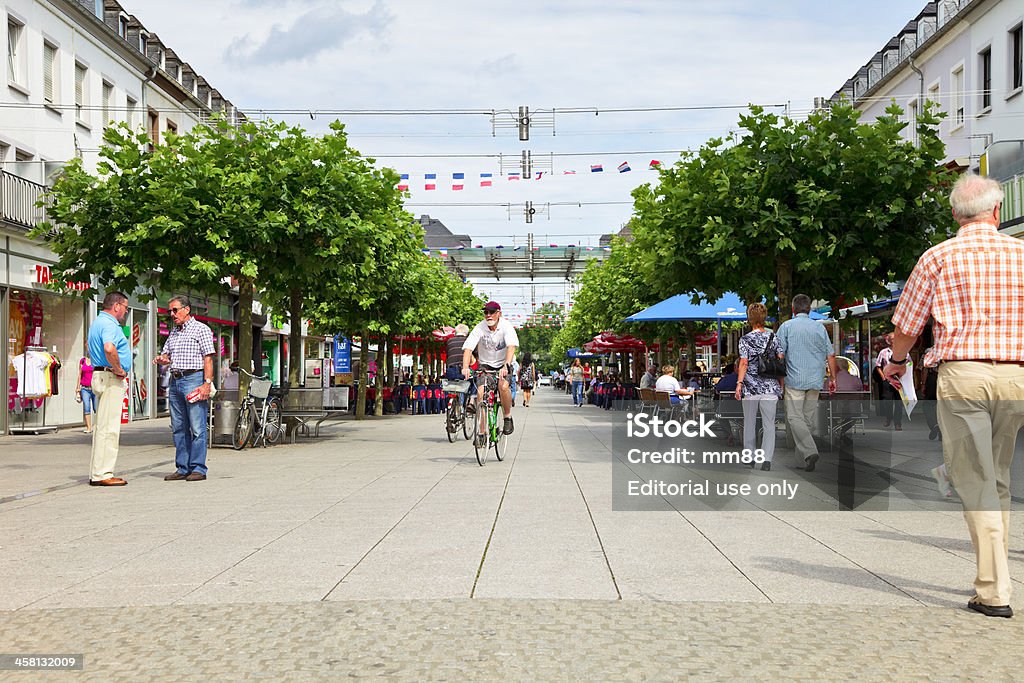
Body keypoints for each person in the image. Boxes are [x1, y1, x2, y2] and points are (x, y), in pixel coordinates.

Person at [883, 174, 1024, 619]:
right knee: (996, 475)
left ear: (953, 214)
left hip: (963, 375)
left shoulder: (937, 256)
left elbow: (907, 326)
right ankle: (995, 579)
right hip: (1015, 377)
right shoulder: (1021, 254)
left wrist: (898, 361)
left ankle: (994, 591)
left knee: (975, 479)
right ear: (997, 211)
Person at [155, 295, 216, 482]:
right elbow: (166, 353)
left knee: (197, 427)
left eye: (175, 310)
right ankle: (183, 467)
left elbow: (208, 358)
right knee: (178, 427)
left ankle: (198, 467)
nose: (172, 314)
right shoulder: (174, 332)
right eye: (170, 311)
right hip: (176, 380)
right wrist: (162, 359)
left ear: (186, 309)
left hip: (193, 378)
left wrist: (206, 383)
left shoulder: (201, 329)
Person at [777, 293, 839, 473]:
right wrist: (833, 378)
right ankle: (802, 460)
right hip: (815, 379)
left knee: (794, 418)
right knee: (807, 419)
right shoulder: (819, 328)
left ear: (793, 309)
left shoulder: (786, 326)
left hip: (794, 378)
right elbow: (830, 354)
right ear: (809, 309)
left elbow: (780, 355)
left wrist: (779, 380)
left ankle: (810, 451)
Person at [86, 291, 131, 487]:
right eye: (126, 308)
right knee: (109, 428)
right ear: (117, 306)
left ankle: (99, 471)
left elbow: (92, 346)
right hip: (110, 377)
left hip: (101, 374)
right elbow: (109, 348)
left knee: (103, 427)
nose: (126, 312)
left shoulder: (97, 322)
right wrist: (119, 369)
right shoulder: (110, 324)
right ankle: (103, 473)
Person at [462, 300, 518, 445]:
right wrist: (465, 367)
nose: (488, 315)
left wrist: (506, 366)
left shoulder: (506, 326)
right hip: (485, 365)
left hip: (503, 363)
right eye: (486, 312)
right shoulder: (480, 328)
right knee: (481, 393)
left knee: (503, 387)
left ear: (498, 314)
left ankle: (507, 416)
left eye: (492, 312)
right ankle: (481, 433)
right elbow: (468, 348)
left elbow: (511, 347)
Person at [735, 303, 783, 471]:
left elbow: (743, 363)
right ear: (764, 318)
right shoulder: (774, 337)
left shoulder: (745, 339)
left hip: (751, 387)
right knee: (769, 424)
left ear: (750, 318)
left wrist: (739, 383)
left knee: (749, 422)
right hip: (770, 387)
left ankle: (750, 456)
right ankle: (767, 459)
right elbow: (780, 359)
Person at [874, 333, 903, 431]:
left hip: (899, 380)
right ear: (889, 341)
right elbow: (878, 365)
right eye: (892, 339)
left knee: (899, 402)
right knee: (888, 401)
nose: (894, 341)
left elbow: (909, 363)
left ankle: (898, 423)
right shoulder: (883, 352)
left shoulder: (903, 351)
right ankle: (888, 418)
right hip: (887, 379)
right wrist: (883, 378)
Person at [76, 355, 96, 434]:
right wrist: (77, 388)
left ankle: (97, 427)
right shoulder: (82, 361)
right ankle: (89, 427)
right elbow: (80, 375)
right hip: (84, 388)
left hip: (94, 388)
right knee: (86, 407)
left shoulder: (95, 360)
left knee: (96, 408)